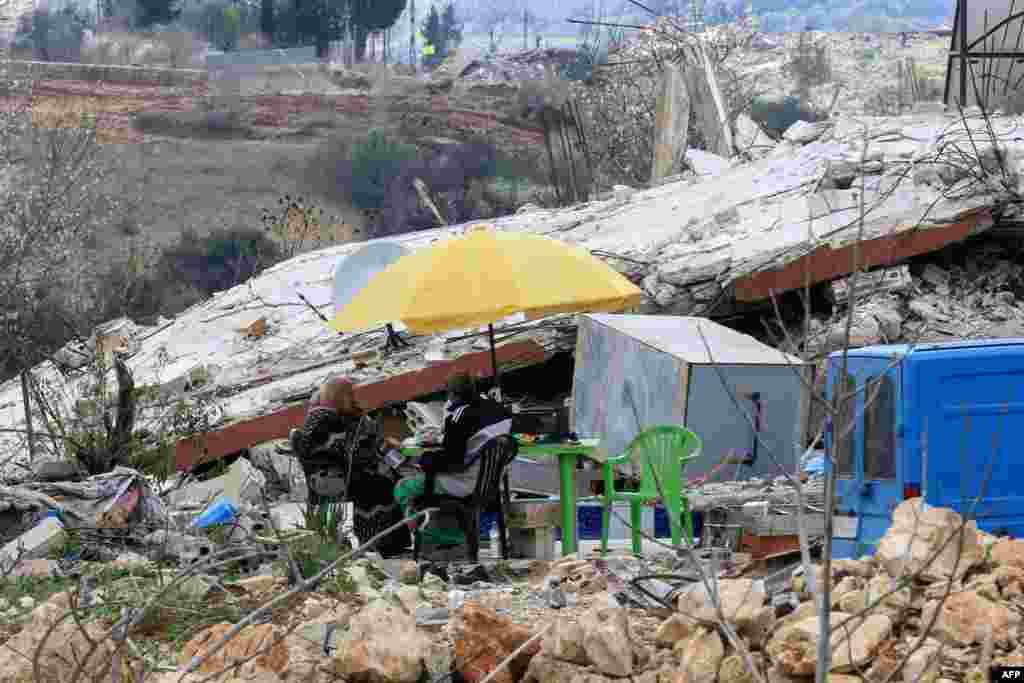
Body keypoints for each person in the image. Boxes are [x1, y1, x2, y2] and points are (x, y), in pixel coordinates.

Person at [291, 377, 411, 557]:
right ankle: (382, 544)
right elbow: (350, 454)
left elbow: (366, 445)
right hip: (336, 479)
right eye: (349, 395)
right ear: (339, 396)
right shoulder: (327, 422)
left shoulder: (323, 417)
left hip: (332, 477)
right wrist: (384, 459)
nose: (352, 398)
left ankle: (387, 543)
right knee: (383, 485)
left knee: (385, 478)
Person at [393, 372, 513, 548]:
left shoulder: (459, 415)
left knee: (403, 487)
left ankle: (433, 540)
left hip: (464, 484)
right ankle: (455, 538)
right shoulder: (500, 410)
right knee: (431, 474)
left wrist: (423, 460)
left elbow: (453, 461)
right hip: (491, 484)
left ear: (451, 394)